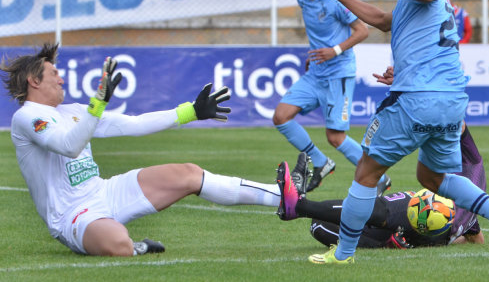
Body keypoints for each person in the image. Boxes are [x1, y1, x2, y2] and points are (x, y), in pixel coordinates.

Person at [306, 0, 489, 265]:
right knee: (432, 178)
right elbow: (384, 21)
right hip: (451, 103)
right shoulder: (414, 3)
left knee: (367, 174)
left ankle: (343, 254)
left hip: (417, 100)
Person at [0, 43, 319, 256]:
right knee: (118, 243)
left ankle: (284, 196)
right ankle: (134, 246)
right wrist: (98, 103)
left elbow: (132, 124)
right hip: (72, 215)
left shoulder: (73, 110)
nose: (61, 77)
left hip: (104, 192)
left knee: (188, 174)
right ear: (33, 81)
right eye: (53, 73)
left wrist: (189, 112)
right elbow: (68, 147)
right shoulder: (26, 118)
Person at [278, 121, 487, 249]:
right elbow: (476, 238)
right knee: (319, 225)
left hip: (425, 206)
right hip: (429, 226)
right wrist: (446, 241)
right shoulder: (471, 214)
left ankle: (297, 206)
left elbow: (458, 123)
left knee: (372, 210)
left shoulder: (470, 161)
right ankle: (386, 244)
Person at [272, 0, 371, 193]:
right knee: (281, 116)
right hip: (316, 72)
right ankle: (320, 162)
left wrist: (334, 51)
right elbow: (319, 32)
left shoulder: (335, 1)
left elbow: (363, 31)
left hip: (338, 73)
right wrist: (315, 53)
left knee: (335, 137)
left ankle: (376, 177)